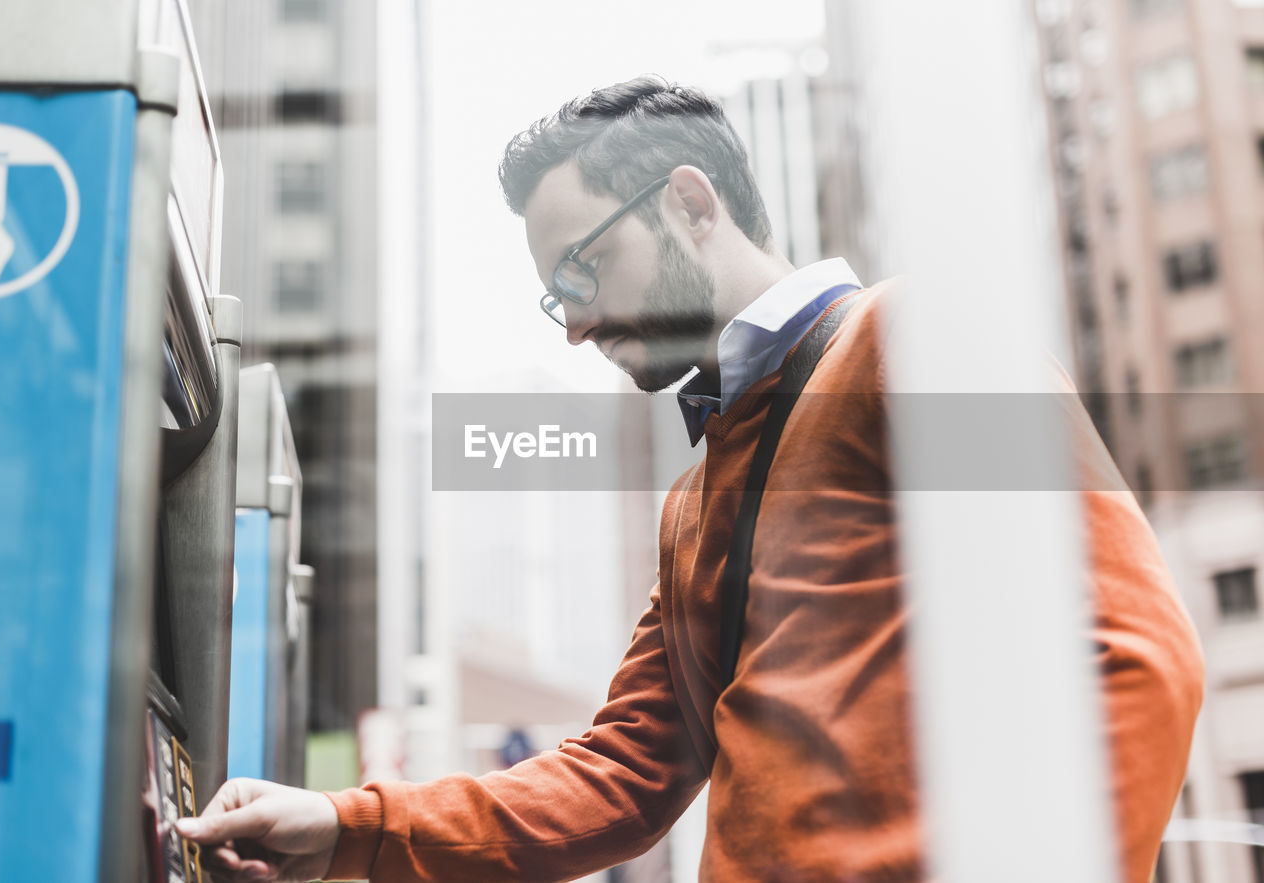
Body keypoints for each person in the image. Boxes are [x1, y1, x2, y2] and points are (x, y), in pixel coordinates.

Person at [179, 76, 1204, 882]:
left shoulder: (916, 337)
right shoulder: (693, 500)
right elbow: (620, 773)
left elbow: (1134, 653)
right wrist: (341, 826)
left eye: (580, 270)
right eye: (553, 300)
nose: (574, 322)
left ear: (687, 203)